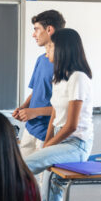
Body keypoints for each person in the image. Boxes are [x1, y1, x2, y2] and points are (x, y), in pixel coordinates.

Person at [24, 28, 93, 201]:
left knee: (21, 167)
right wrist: (48, 142)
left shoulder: (78, 78)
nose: (47, 51)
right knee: (49, 196)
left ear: (64, 50)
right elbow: (55, 115)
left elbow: (71, 125)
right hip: (59, 142)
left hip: (76, 145)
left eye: (51, 47)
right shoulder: (59, 77)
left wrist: (47, 147)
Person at [13, 10, 66, 158]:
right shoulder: (41, 59)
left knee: (43, 180)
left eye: (36, 29)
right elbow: (36, 91)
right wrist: (23, 108)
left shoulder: (64, 64)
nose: (33, 34)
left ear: (49, 30)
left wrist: (34, 112)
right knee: (22, 175)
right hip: (30, 128)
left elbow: (63, 107)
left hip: (48, 133)